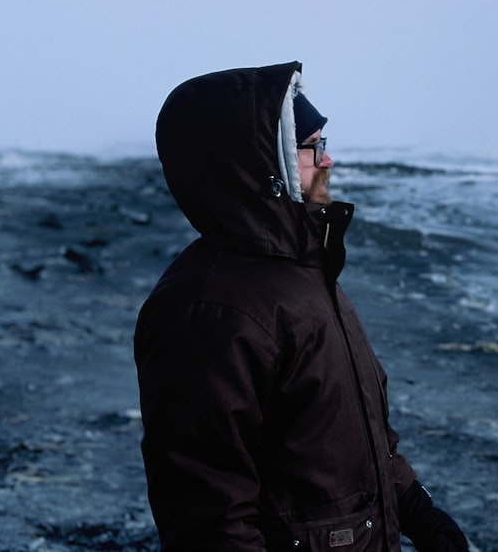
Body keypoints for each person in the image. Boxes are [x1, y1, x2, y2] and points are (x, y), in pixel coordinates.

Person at [134, 61, 469, 552]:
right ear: (262, 164)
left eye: (323, 145)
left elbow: (354, 439)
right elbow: (210, 520)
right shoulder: (210, 309)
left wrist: (417, 509)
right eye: (311, 147)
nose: (328, 162)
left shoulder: (308, 274)